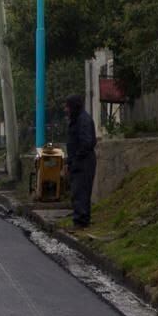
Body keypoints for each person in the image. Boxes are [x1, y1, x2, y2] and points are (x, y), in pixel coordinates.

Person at [65, 94, 97, 230]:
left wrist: (76, 159)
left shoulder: (83, 120)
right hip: (79, 161)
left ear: (73, 106)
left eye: (67, 106)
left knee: (81, 192)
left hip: (84, 162)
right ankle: (81, 220)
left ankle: (81, 222)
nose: (65, 109)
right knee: (78, 192)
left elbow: (87, 143)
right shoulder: (78, 119)